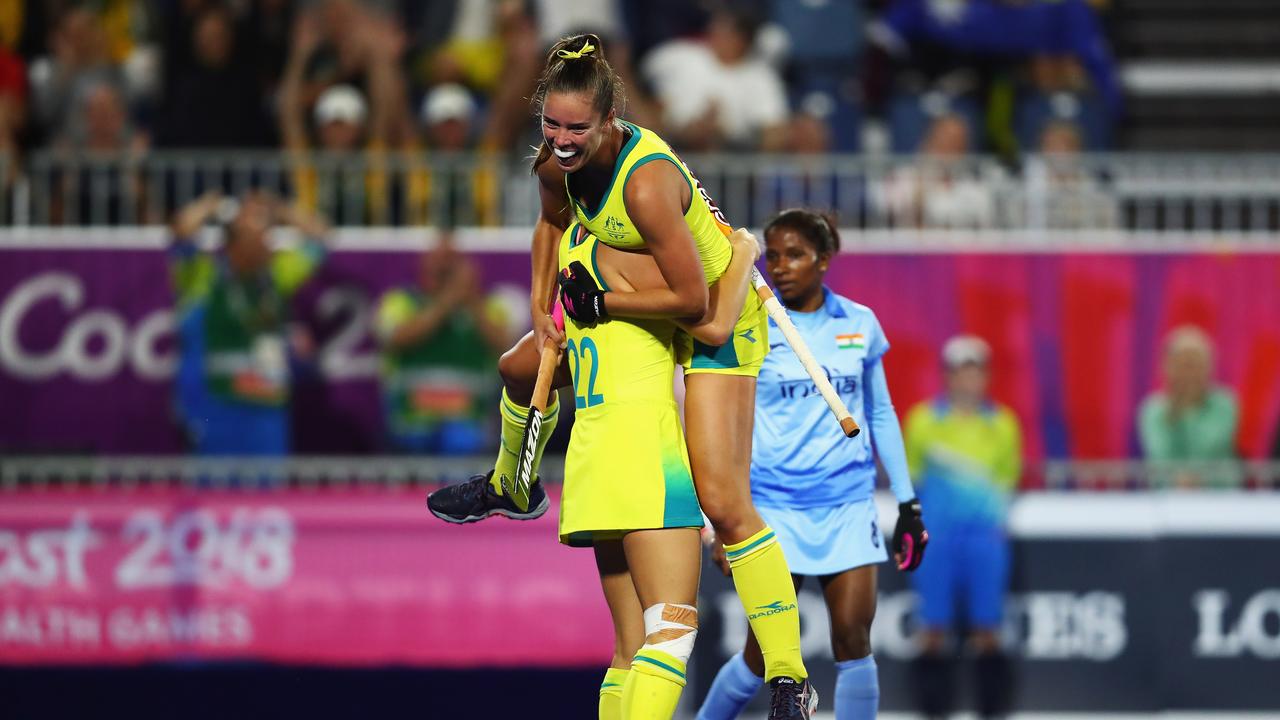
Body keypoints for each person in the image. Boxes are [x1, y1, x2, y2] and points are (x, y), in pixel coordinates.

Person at [427, 34, 818, 718]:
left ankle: (789, 675)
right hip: (645, 298)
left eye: (577, 129)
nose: (563, 140)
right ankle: (512, 482)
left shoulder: (644, 184)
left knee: (723, 502)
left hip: (713, 307)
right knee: (520, 364)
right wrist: (542, 305)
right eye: (552, 125)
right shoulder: (556, 164)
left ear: (610, 121)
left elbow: (701, 308)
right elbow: (550, 227)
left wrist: (602, 301)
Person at [696, 209, 927, 720]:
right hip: (773, 512)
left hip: (847, 506)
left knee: (853, 640)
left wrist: (908, 502)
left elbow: (882, 413)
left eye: (795, 255)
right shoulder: (748, 326)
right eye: (772, 255)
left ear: (824, 260)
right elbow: (726, 429)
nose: (780, 267)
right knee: (763, 656)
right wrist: (725, 519)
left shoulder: (859, 323)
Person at [555, 222, 758, 720]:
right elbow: (711, 324)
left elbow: (519, 366)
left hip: (592, 453)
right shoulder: (631, 258)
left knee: (629, 647)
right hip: (646, 452)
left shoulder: (571, 252)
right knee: (671, 630)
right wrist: (744, 254)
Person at [903, 335, 1023, 720]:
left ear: (985, 377)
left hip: (985, 540)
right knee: (932, 630)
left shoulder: (1003, 425)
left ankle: (991, 712)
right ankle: (934, 712)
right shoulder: (923, 421)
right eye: (959, 372)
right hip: (935, 539)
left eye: (975, 372)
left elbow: (1006, 483)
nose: (967, 381)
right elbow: (912, 480)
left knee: (988, 630)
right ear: (947, 376)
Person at [169, 190, 328, 456]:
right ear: (233, 244)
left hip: (267, 408)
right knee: (215, 493)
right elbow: (181, 232)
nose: (267, 243)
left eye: (267, 234)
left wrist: (277, 207)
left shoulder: (277, 274)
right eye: (256, 235)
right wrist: (213, 205)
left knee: (267, 496)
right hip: (216, 407)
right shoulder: (203, 276)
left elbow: (319, 236)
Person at [374, 233, 510, 454]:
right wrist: (447, 301)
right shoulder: (400, 302)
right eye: (438, 261)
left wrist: (471, 300)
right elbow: (397, 339)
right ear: (423, 264)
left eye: (451, 261)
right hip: (411, 422)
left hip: (468, 424)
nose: (444, 269)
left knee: (462, 449)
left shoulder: (487, 307)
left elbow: (505, 346)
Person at [1137, 325, 1240, 487]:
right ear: (1166, 367)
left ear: (1210, 367)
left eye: (1196, 364)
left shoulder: (1225, 404)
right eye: (1183, 364)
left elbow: (1210, 447)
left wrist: (1184, 411)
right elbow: (1160, 454)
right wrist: (1177, 408)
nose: (1190, 372)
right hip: (1167, 500)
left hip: (1219, 498)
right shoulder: (1152, 409)